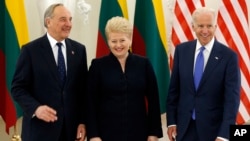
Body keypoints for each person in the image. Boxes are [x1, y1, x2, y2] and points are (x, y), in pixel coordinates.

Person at [11, 3, 88, 141]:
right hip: (40, 132)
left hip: (70, 131)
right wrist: (36, 109)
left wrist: (82, 121)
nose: (69, 24)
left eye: (70, 19)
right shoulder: (30, 51)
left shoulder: (79, 50)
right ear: (48, 22)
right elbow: (18, 88)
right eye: (63, 19)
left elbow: (82, 91)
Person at [166, 7, 240, 141]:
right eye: (200, 26)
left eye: (209, 26)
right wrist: (172, 121)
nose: (205, 31)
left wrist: (224, 135)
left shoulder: (229, 57)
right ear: (193, 27)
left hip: (214, 132)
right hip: (184, 129)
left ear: (215, 27)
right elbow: (174, 91)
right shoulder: (181, 51)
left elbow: (232, 100)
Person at [86, 16, 163, 141]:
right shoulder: (97, 66)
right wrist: (94, 135)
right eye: (113, 41)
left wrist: (153, 133)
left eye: (122, 40)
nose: (118, 45)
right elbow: (90, 103)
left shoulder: (144, 64)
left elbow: (154, 101)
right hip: (106, 135)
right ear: (107, 41)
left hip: (139, 134)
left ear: (130, 39)